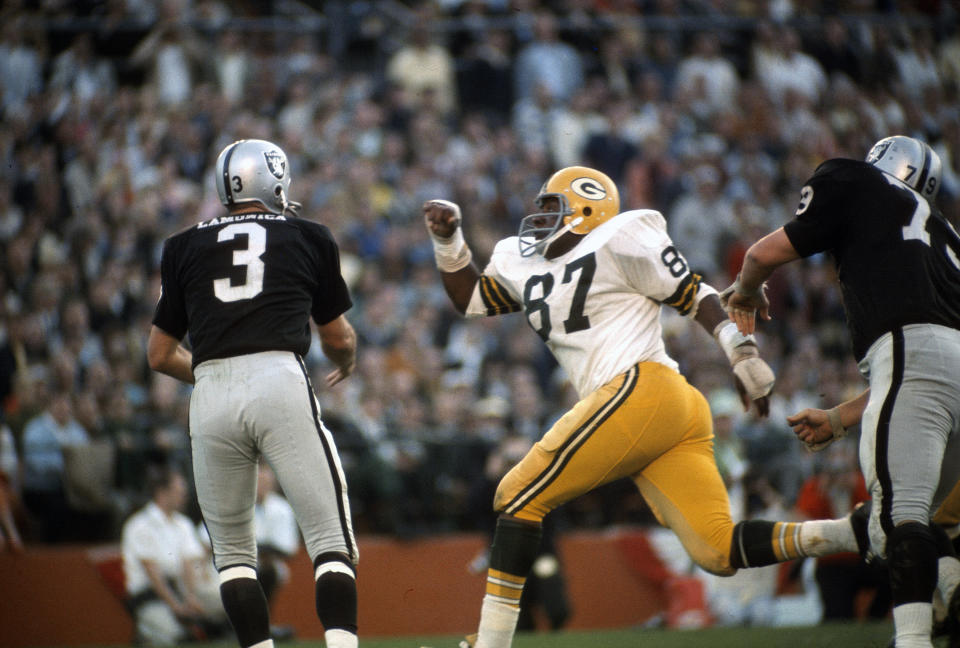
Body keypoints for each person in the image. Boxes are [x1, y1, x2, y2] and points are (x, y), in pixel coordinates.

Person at [423, 166, 863, 648]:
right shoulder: (519, 259)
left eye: (552, 206)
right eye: (540, 205)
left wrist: (742, 352)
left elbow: (692, 293)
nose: (538, 215)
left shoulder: (621, 234)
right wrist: (449, 240)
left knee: (516, 494)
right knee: (717, 549)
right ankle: (851, 533)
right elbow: (471, 300)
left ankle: (490, 645)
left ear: (589, 209)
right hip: (663, 413)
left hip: (642, 388)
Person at [723, 135, 960, 648]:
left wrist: (745, 290)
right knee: (929, 524)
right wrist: (838, 419)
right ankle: (949, 590)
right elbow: (929, 369)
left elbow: (764, 252)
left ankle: (914, 639)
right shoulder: (945, 232)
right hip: (940, 369)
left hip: (908, 354)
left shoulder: (855, 179)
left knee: (901, 518)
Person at [147, 139, 360, 648]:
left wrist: (216, 377)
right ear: (274, 180)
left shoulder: (181, 246)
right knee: (330, 541)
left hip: (211, 393)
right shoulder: (308, 235)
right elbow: (337, 337)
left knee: (234, 557)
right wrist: (347, 361)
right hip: (278, 377)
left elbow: (157, 354)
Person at [122, 464, 229, 645]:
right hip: (151, 596)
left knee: (229, 600)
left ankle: (210, 627)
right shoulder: (140, 525)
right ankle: (149, 631)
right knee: (173, 637)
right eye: (179, 491)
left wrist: (191, 598)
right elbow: (152, 572)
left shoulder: (183, 524)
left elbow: (189, 563)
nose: (183, 496)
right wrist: (176, 607)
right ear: (162, 492)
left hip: (181, 589)